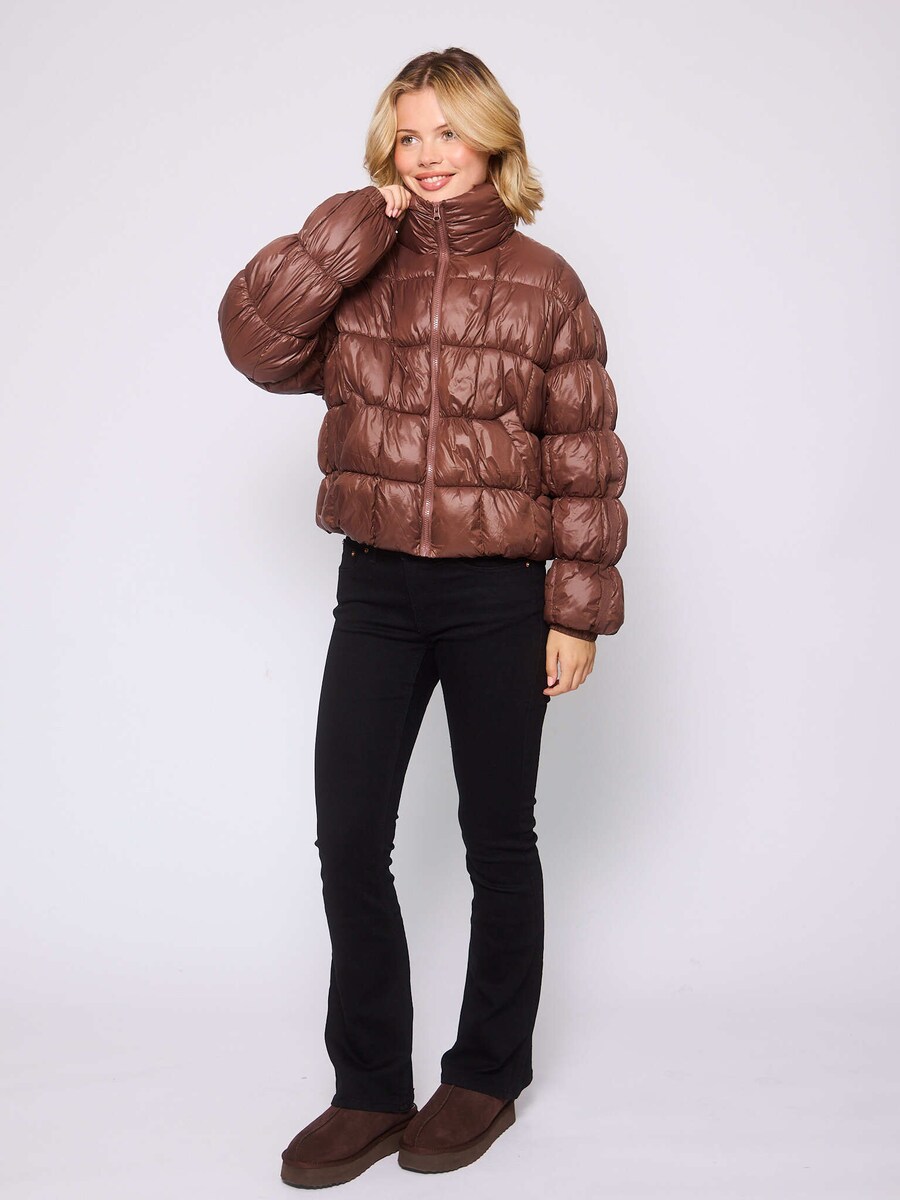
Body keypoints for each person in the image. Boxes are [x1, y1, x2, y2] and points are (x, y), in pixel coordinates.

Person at [217, 45, 628, 1189]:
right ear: (385, 149)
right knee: (350, 837)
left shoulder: (547, 283)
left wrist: (576, 611)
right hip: (378, 589)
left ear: (493, 140)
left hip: (500, 595)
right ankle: (368, 1088)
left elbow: (583, 453)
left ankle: (486, 1075)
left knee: (498, 838)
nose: (430, 154)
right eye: (409, 135)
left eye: (450, 131)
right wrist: (349, 229)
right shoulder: (361, 268)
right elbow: (255, 344)